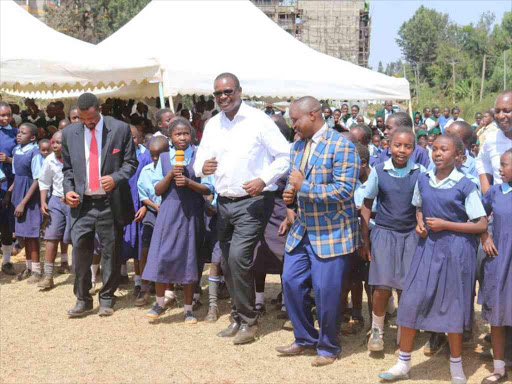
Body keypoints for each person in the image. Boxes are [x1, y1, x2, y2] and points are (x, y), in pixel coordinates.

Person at [379, 134, 487, 384]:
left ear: (458, 156)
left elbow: (480, 223)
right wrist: (420, 223)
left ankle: (456, 367)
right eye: (434, 149)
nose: (437, 153)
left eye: (444, 150)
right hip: (427, 247)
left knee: (453, 306)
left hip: (456, 251)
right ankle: (403, 363)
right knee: (411, 301)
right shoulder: (424, 179)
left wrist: (446, 224)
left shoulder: (466, 184)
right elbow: (419, 207)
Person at [194, 73, 289, 344]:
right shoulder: (213, 124)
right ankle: (238, 316)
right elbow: (199, 159)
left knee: (238, 257)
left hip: (254, 201)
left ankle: (249, 320)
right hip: (224, 202)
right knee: (226, 261)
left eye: (228, 92)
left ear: (239, 91)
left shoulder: (259, 121)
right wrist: (203, 168)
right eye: (218, 93)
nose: (223, 97)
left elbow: (284, 156)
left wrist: (264, 179)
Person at [275, 96, 360, 367]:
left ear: (313, 115)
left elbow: (345, 191)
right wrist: (290, 196)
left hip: (331, 232)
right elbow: (295, 183)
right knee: (290, 282)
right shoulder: (297, 147)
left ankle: (328, 346)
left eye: (296, 119)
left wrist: (304, 187)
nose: (292, 124)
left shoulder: (342, 146)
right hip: (302, 230)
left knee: (326, 292)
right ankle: (304, 338)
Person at [62, 92, 138, 318]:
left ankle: (107, 297)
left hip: (109, 203)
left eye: (91, 120)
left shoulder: (120, 129)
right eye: (83, 120)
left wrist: (115, 178)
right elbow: (67, 170)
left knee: (111, 251)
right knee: (80, 252)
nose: (87, 123)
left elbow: (131, 163)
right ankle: (82, 299)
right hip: (82, 205)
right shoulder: (69, 133)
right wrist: (68, 191)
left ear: (99, 109)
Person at [360, 126, 425, 353]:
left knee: (406, 288)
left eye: (408, 146)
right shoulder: (379, 170)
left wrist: (421, 225)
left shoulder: (420, 172)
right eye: (398, 145)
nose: (402, 150)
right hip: (384, 234)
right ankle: (377, 330)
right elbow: (367, 204)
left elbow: (421, 206)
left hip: (410, 236)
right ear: (388, 145)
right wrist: (365, 239)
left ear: (414, 150)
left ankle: (403, 332)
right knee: (382, 286)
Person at [143, 117, 213, 324]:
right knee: (161, 255)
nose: (182, 138)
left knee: (189, 258)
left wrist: (190, 182)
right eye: (177, 134)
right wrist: (170, 175)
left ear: (192, 135)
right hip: (168, 211)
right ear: (170, 137)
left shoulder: (200, 156)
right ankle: (159, 302)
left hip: (191, 212)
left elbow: (209, 188)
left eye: (186, 134)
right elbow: (156, 189)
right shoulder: (164, 158)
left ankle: (188, 308)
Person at [479, 149, 512, 384]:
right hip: (501, 260)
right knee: (498, 315)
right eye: (499, 164)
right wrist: (484, 237)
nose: (499, 169)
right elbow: (478, 215)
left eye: (504, 165)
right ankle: (499, 367)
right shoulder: (495, 192)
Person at [135, 136, 168, 306]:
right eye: (152, 155)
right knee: (146, 250)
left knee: (167, 250)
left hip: (170, 214)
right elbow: (143, 194)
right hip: (153, 213)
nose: (155, 158)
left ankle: (167, 287)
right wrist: (154, 205)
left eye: (159, 154)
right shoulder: (146, 170)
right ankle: (144, 286)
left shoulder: (171, 169)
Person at [9, 123, 44, 282]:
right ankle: (28, 268)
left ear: (32, 137)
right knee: (23, 234)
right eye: (18, 132)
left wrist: (23, 202)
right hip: (18, 197)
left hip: (29, 198)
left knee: (31, 235)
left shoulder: (35, 153)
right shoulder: (16, 151)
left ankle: (37, 270)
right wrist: (9, 195)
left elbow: (37, 180)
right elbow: (17, 177)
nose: (19, 135)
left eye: (23, 133)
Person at [38, 131, 71, 289]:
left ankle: (82, 274)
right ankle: (48, 276)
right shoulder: (50, 159)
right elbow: (44, 181)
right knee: (51, 237)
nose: (55, 145)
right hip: (56, 200)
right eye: (54, 142)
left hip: (74, 201)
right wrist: (43, 201)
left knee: (76, 238)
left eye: (59, 142)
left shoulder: (75, 158)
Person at [477, 91, 512, 194]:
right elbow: (482, 162)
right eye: (497, 111)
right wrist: (488, 194)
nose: (501, 116)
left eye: (507, 111)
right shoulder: (492, 139)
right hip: (500, 206)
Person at [0, 102, 18, 275]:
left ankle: (6, 261)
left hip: (7, 187)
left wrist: (8, 159)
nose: (5, 118)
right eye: (2, 115)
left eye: (8, 115)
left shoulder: (15, 134)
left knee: (6, 225)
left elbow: (20, 161)